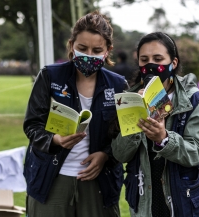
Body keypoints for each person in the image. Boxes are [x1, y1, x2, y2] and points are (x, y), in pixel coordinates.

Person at [23, 11, 127, 217]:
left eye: (97, 50)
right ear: (71, 45)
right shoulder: (49, 76)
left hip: (99, 180)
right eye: (82, 48)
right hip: (51, 178)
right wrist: (55, 140)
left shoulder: (118, 85)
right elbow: (32, 125)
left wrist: (106, 155)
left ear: (108, 50)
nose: (89, 55)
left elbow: (124, 134)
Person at [111, 32, 199, 217]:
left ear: (173, 63)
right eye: (144, 59)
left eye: (158, 58)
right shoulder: (130, 98)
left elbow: (198, 152)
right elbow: (120, 154)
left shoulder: (192, 99)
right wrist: (135, 121)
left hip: (184, 201)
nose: (150, 65)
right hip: (146, 201)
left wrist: (164, 139)